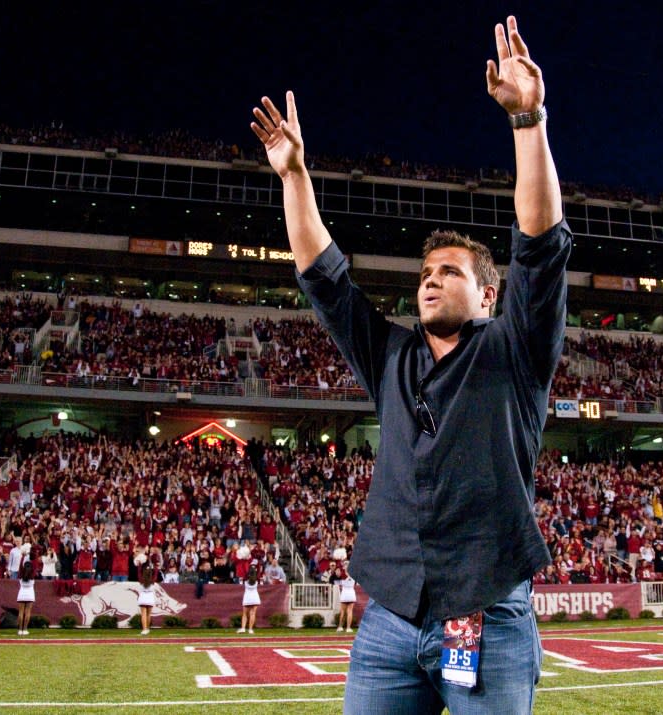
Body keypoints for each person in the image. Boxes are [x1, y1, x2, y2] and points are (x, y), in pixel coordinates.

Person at [250, 15, 569, 713]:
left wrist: (529, 122)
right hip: (390, 619)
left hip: (489, 611)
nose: (428, 280)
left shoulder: (515, 349)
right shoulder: (392, 353)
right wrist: (296, 176)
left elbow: (541, 246)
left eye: (448, 271)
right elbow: (325, 278)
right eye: (424, 271)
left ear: (486, 294)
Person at [334, 563, 357, 633]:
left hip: (345, 593)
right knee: (350, 611)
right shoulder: (354, 574)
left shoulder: (342, 574)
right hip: (351, 593)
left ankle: (340, 627)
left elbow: (336, 578)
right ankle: (348, 628)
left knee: (343, 611)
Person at [238, 566, 260, 634]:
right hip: (255, 597)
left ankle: (243, 628)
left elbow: (240, 582)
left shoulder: (245, 580)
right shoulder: (257, 580)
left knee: (244, 614)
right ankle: (250, 629)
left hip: (247, 597)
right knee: (252, 614)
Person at [16, 560, 36, 635]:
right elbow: (35, 565)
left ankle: (20, 630)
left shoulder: (21, 574)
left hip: (21, 594)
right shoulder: (32, 575)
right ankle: (25, 629)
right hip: (30, 595)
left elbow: (20, 567)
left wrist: (22, 556)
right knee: (27, 613)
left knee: (21, 613)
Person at [137, 563, 155, 635]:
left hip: (143, 596)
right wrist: (155, 567)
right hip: (150, 596)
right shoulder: (152, 580)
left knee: (143, 614)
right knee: (148, 614)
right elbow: (156, 572)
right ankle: (147, 628)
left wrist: (139, 566)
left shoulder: (141, 579)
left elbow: (138, 572)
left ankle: (144, 629)